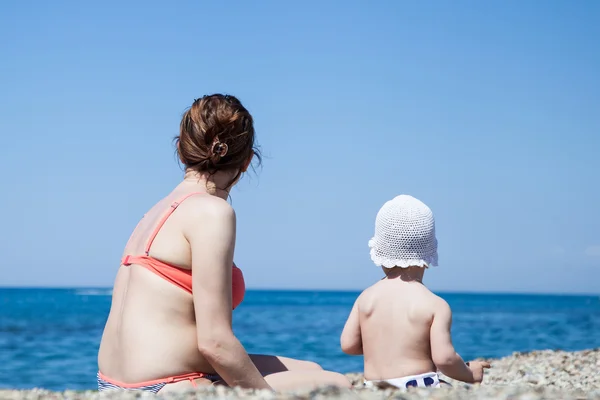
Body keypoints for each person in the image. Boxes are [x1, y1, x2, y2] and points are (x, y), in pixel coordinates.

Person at [97, 94, 351, 393]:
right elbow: (214, 342)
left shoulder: (156, 211)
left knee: (312, 370)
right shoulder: (211, 212)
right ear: (246, 162)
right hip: (165, 386)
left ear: (181, 150)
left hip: (113, 384)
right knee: (336, 384)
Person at [340, 194, 490, 390]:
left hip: (374, 388)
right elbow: (444, 359)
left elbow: (348, 345)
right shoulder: (435, 304)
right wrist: (471, 373)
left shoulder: (366, 297)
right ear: (429, 250)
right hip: (419, 387)